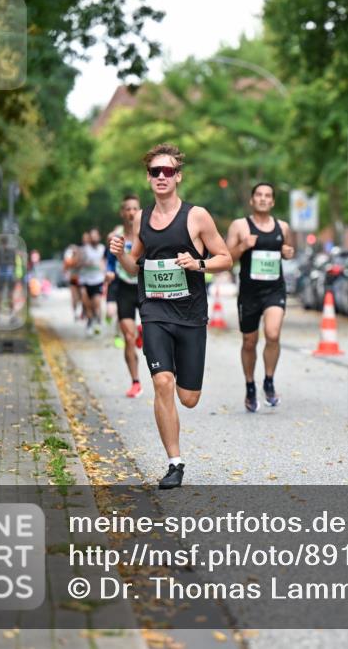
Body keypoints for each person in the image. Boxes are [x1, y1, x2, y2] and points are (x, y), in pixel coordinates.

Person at [110, 143, 232, 489]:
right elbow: (135, 267)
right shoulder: (141, 218)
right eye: (155, 172)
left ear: (178, 176)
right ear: (148, 178)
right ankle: (174, 463)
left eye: (167, 171)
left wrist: (199, 263)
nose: (161, 177)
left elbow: (225, 258)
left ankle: (180, 369)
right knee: (162, 382)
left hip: (190, 314)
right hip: (154, 311)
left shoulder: (197, 216)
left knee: (188, 398)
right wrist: (120, 254)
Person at [225, 182, 295, 412]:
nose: (263, 198)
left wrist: (287, 253)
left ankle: (269, 381)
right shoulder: (240, 226)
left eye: (268, 195)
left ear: (272, 201)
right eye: (259, 195)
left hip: (274, 289)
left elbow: (288, 251)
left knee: (273, 334)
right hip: (249, 292)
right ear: (252, 200)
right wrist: (243, 246)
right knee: (249, 341)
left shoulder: (282, 227)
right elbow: (227, 259)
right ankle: (250, 385)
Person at [108, 194, 143, 398]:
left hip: (145, 287)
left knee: (152, 334)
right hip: (124, 288)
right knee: (129, 338)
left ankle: (142, 332)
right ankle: (135, 381)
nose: (131, 212)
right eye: (128, 209)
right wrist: (109, 272)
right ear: (122, 213)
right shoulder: (116, 236)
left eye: (135, 208)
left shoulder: (146, 232)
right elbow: (110, 260)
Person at [79, 228, 106, 334]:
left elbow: (104, 262)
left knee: (96, 303)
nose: (94, 238)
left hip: (98, 280)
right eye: (92, 236)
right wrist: (85, 263)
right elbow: (78, 263)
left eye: (96, 236)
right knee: (86, 303)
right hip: (85, 280)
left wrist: (104, 269)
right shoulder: (84, 249)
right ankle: (90, 321)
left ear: (99, 237)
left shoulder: (102, 249)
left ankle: (98, 321)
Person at [0, 236, 17, 322]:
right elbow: (14, 264)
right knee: (10, 295)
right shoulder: (12, 251)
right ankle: (12, 316)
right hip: (10, 274)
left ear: (1, 242)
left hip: (0, 274)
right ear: (8, 242)